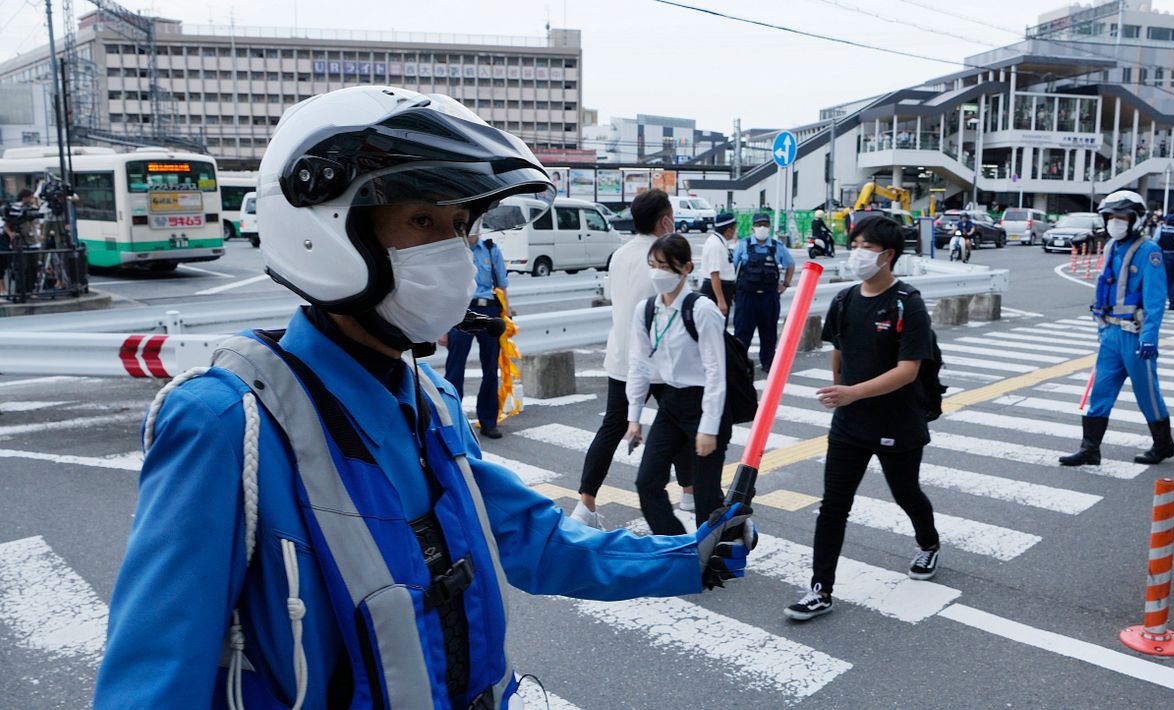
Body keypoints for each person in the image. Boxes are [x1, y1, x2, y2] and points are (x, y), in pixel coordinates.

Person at [93, 87, 754, 709]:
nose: (456, 251)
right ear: (327, 230)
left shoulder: (429, 400)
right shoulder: (226, 425)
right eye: (422, 220)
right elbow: (152, 683)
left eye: (459, 224)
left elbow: (532, 539)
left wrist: (686, 557)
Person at [785, 216, 940, 621]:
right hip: (850, 424)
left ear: (888, 255)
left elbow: (908, 370)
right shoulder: (844, 299)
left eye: (866, 247)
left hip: (898, 422)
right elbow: (839, 350)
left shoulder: (907, 303)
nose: (857, 253)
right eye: (854, 245)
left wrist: (852, 392)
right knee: (833, 506)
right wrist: (842, 391)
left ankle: (929, 544)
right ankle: (820, 590)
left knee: (906, 493)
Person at [574, 189, 695, 529]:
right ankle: (690, 494)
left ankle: (585, 504)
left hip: (621, 358)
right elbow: (680, 305)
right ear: (664, 221)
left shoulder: (619, 255)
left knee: (611, 429)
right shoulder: (664, 256)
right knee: (681, 426)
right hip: (662, 362)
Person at [1060, 190, 1174, 467]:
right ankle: (1090, 449)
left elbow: (1155, 300)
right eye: (1111, 216)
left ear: (1135, 219)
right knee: (1100, 391)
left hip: (1135, 335)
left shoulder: (1149, 251)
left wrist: (1149, 337)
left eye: (1121, 216)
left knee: (1146, 393)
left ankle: (1163, 444)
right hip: (1111, 333)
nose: (1115, 221)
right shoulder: (1112, 246)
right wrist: (1102, 327)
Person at [626, 234, 732, 534]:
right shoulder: (646, 310)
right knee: (647, 482)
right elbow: (639, 364)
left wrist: (709, 427)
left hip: (704, 403)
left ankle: (712, 553)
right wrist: (634, 417)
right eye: (653, 265)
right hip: (671, 402)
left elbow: (716, 372)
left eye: (665, 266)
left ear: (686, 268)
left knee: (706, 495)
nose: (657, 273)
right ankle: (676, 546)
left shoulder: (702, 309)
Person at [442, 228, 508, 439]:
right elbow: (445, 289)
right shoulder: (454, 251)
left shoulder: (491, 249)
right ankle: (451, 422)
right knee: (454, 368)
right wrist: (443, 327)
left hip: (489, 309)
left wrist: (506, 317)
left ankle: (489, 422)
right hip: (461, 310)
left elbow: (502, 286)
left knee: (491, 369)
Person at [733, 213, 795, 374]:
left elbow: (790, 265)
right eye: (759, 225)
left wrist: (785, 284)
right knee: (742, 333)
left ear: (769, 227)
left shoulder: (776, 246)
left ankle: (768, 363)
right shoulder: (743, 245)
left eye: (765, 225)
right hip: (746, 297)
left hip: (769, 297)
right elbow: (734, 267)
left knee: (769, 333)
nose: (762, 228)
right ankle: (739, 365)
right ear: (753, 228)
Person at [699, 211, 737, 316]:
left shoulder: (720, 242)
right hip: (716, 291)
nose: (735, 231)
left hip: (723, 289)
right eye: (734, 228)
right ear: (728, 230)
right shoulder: (715, 245)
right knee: (716, 323)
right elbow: (714, 274)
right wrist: (721, 300)